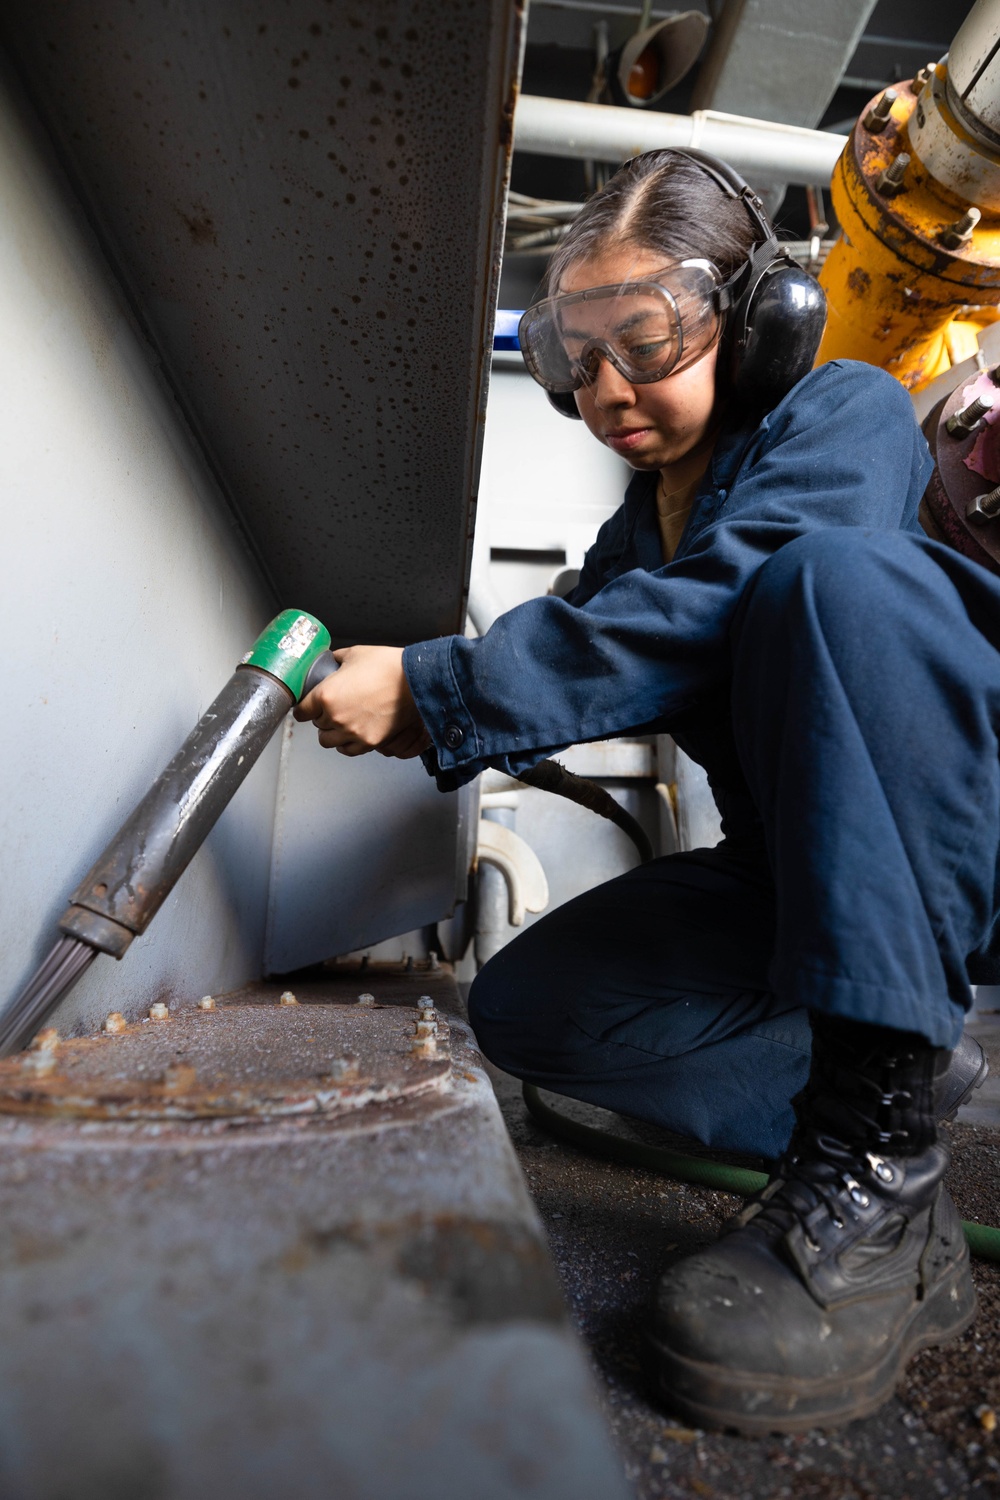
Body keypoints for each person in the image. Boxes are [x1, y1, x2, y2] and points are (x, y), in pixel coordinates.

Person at [292, 149, 998, 1434]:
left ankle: (875, 1165)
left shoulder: (842, 413)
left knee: (832, 582)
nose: (608, 388)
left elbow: (731, 596)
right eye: (578, 356)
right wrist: (402, 704)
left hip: (962, 845)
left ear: (757, 320)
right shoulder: (635, 532)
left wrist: (440, 689)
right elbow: (597, 650)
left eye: (647, 339)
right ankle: (895, 1110)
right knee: (539, 1008)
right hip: (802, 873)